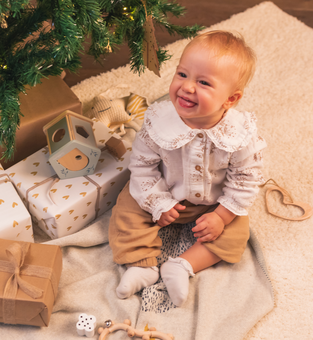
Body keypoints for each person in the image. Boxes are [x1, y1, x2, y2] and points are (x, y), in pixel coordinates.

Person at [108, 30, 267, 307]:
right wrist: (157, 201)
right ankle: (142, 264)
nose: (187, 87)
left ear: (230, 99)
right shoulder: (158, 121)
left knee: (237, 232)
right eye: (182, 74)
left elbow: (245, 180)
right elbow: (142, 166)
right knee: (126, 208)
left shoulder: (240, 134)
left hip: (213, 202)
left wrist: (222, 215)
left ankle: (182, 265)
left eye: (203, 82)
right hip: (165, 190)